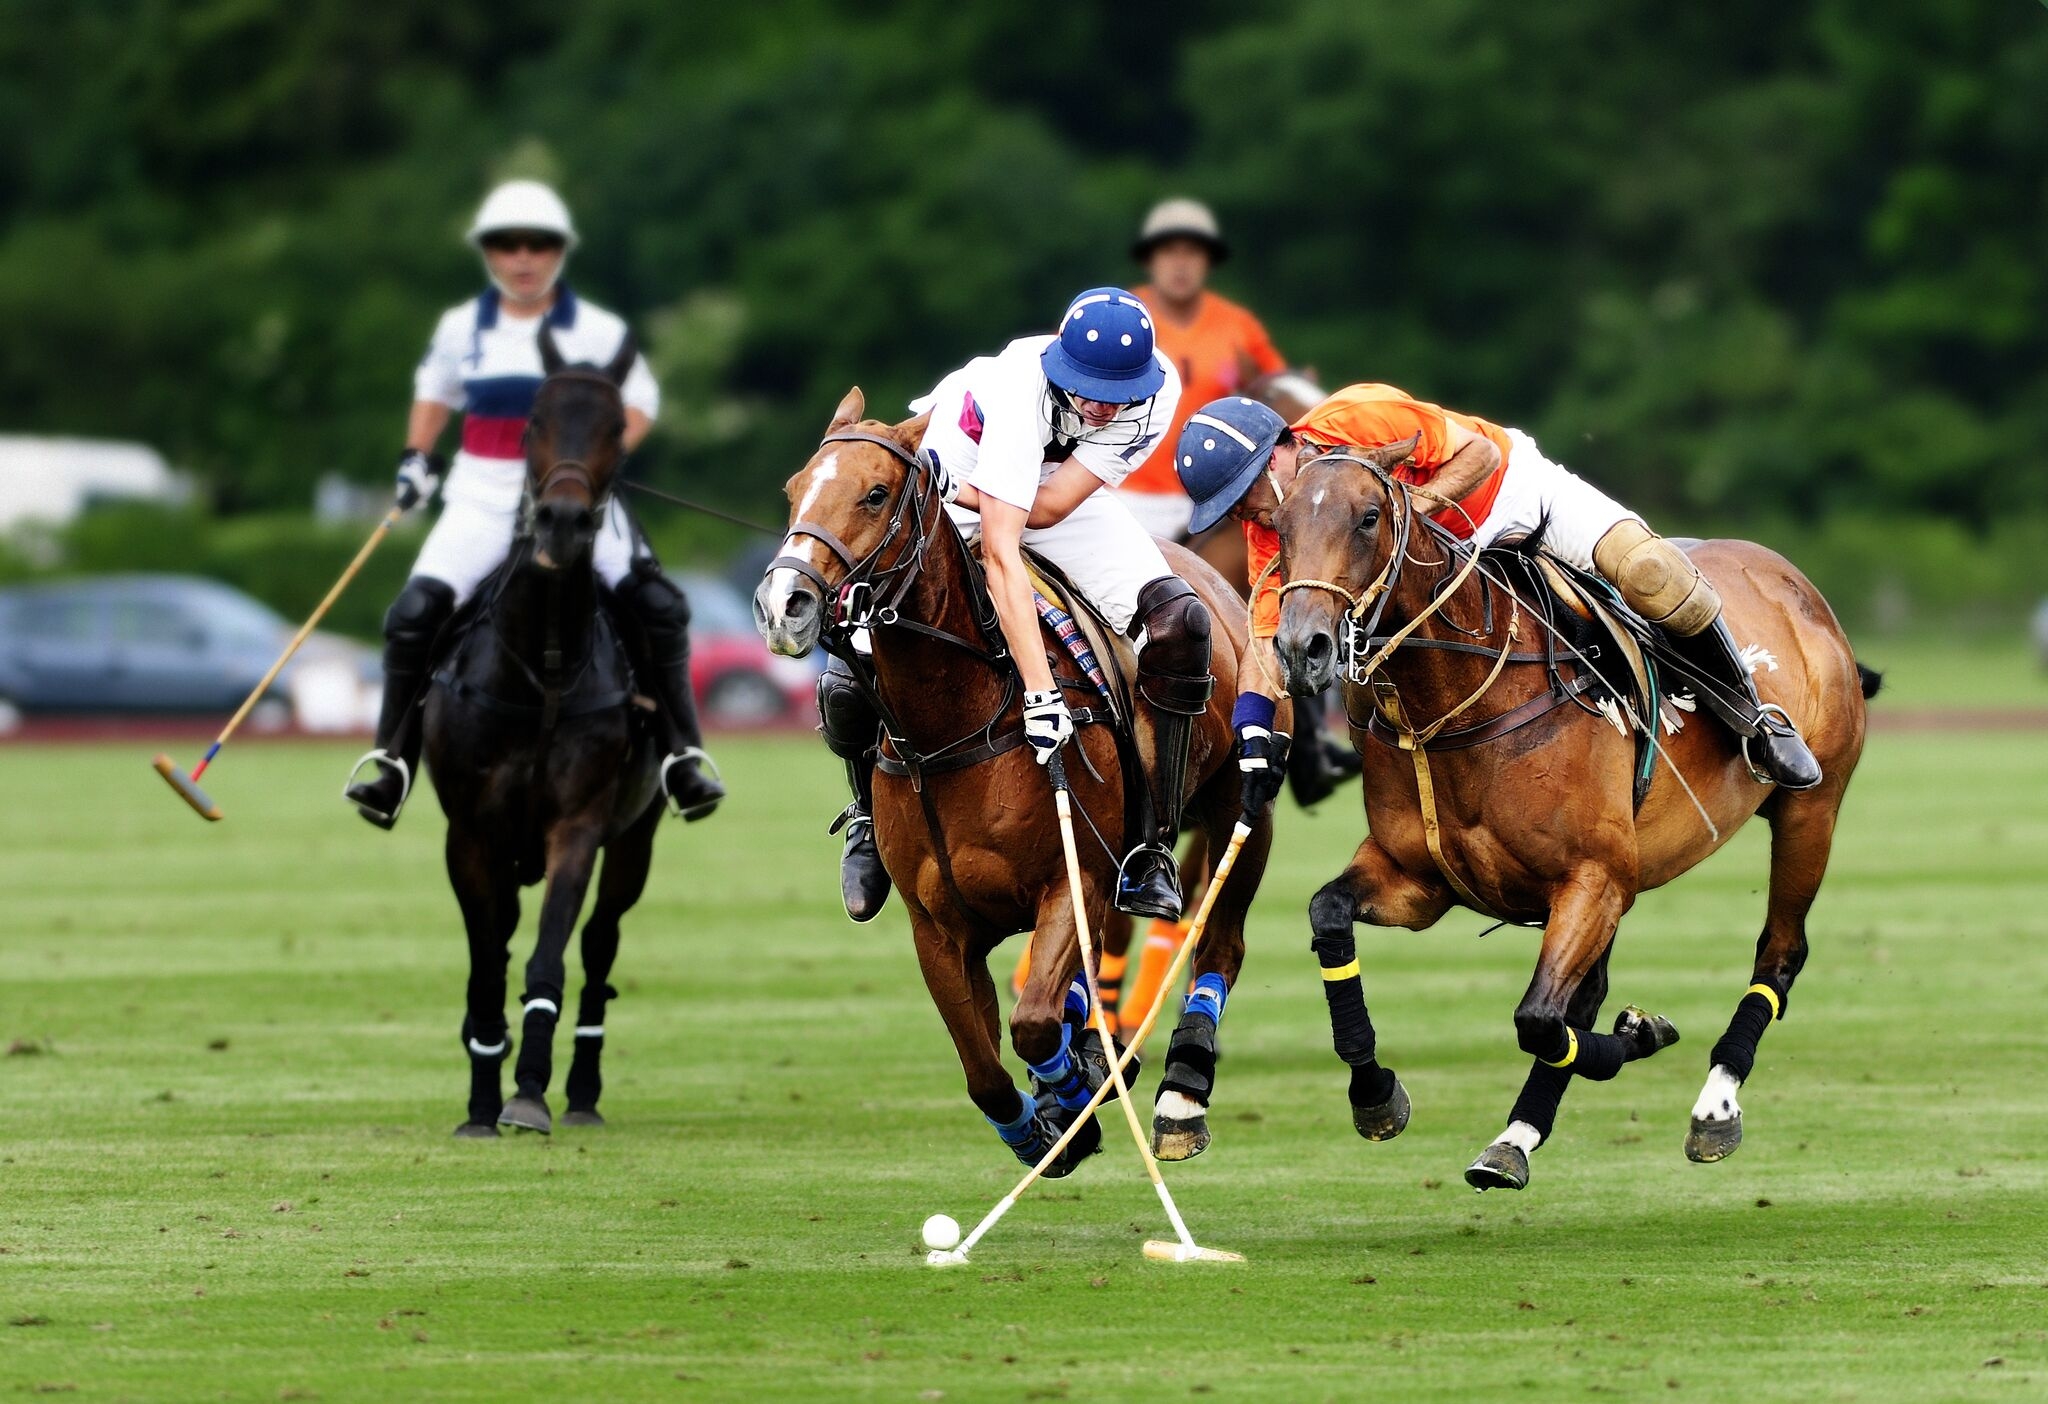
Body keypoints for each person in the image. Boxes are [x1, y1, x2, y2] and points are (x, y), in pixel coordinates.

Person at [1175, 385, 1823, 796]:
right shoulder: (1279, 527)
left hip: (1513, 498)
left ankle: (1753, 716)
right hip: (1437, 568)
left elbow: (1480, 457)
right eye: (1233, 510)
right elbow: (1267, 641)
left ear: (1281, 451)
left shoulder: (1359, 414)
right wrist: (1253, 742)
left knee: (1652, 573)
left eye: (1247, 494)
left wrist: (1409, 515)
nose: (1249, 514)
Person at [343, 180, 726, 829]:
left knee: (658, 607)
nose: (523, 257)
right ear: (488, 253)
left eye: (538, 244)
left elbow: (641, 404)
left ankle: (680, 755)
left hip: (577, 503)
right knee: (415, 613)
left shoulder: (600, 330)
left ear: (558, 253)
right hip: (483, 494)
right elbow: (434, 388)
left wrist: (592, 470)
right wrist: (416, 456)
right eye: (506, 244)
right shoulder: (461, 327)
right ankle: (393, 762)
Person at [823, 288, 1209, 923]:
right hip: (954, 476)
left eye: (1114, 395)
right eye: (1084, 388)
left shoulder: (1156, 395)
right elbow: (1001, 552)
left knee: (1180, 626)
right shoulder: (1019, 392)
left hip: (1045, 490)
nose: (1097, 406)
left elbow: (1050, 509)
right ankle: (867, 814)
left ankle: (1148, 846)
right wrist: (1042, 694)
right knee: (856, 654)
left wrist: (999, 499)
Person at [1121, 199, 1285, 543]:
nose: (1181, 264)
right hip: (1119, 490)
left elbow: (1280, 405)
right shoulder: (1122, 316)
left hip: (1212, 499)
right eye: (1168, 251)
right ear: (1150, 259)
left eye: (1193, 252)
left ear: (1208, 260)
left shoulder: (1238, 327)